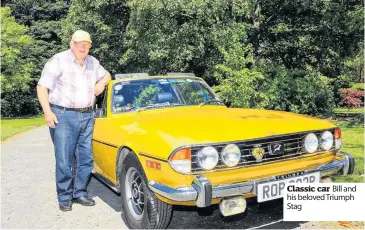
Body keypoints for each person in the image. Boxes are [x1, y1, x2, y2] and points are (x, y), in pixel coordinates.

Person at [36, 30, 111, 211]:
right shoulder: (58, 60)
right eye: (79, 43)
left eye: (86, 44)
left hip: (87, 115)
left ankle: (80, 193)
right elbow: (41, 87)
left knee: (85, 158)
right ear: (72, 44)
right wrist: (47, 112)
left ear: (90, 46)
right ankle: (64, 196)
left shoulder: (93, 62)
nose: (83, 46)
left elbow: (107, 74)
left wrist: (101, 83)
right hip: (63, 115)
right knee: (64, 159)